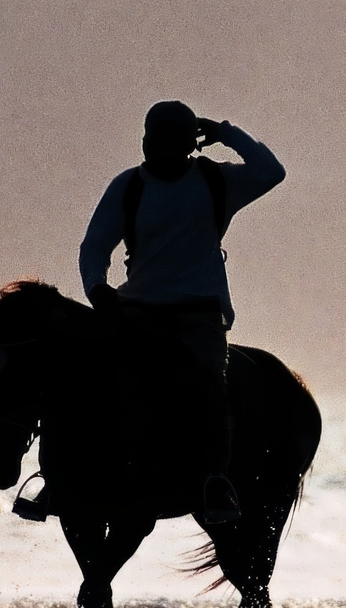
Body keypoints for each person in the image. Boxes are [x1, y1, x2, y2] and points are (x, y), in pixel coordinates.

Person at [46, 101, 285, 526]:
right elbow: (94, 247)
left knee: (209, 386)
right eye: (153, 140)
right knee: (87, 376)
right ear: (144, 142)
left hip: (198, 315)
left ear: (191, 144)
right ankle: (60, 477)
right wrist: (97, 289)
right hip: (136, 308)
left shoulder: (217, 182)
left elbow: (271, 171)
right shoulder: (128, 187)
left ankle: (214, 480)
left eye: (171, 140)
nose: (158, 148)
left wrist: (226, 131)